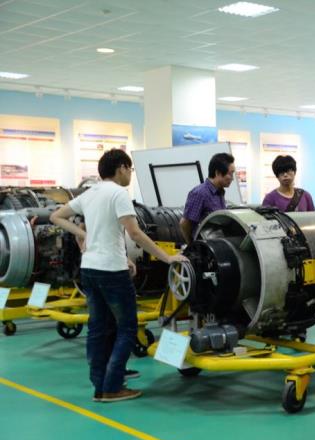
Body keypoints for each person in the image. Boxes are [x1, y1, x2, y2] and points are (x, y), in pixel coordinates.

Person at [50, 149, 187, 403]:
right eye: (130, 169)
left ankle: (100, 385)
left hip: (90, 269)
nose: (130, 175)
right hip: (112, 272)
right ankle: (112, 386)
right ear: (121, 168)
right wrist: (167, 258)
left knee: (98, 328)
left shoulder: (90, 193)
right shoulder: (118, 194)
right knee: (127, 328)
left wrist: (85, 236)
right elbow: (135, 234)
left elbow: (56, 216)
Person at [179, 152, 235, 242]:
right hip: (204, 247)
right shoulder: (199, 193)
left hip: (217, 243)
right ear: (217, 173)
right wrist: (191, 244)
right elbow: (184, 224)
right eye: (230, 174)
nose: (232, 178)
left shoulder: (219, 192)